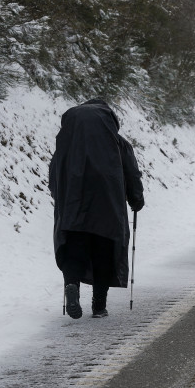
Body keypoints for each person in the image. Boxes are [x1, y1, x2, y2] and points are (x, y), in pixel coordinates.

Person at [49, 99, 144, 319]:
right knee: (103, 253)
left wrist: (61, 198)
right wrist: (136, 199)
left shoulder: (65, 147)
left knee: (74, 250)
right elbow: (131, 173)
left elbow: (55, 177)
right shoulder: (118, 144)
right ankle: (98, 305)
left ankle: (72, 285)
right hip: (107, 210)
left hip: (73, 209)